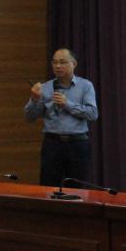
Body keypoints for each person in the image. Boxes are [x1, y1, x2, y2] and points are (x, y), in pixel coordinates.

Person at [25, 48, 99, 186]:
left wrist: (67, 104)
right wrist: (34, 99)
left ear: (74, 64)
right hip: (52, 144)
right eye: (54, 62)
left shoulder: (85, 86)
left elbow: (92, 114)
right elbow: (30, 117)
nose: (58, 66)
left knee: (77, 188)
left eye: (62, 62)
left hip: (77, 144)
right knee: (48, 187)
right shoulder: (45, 88)